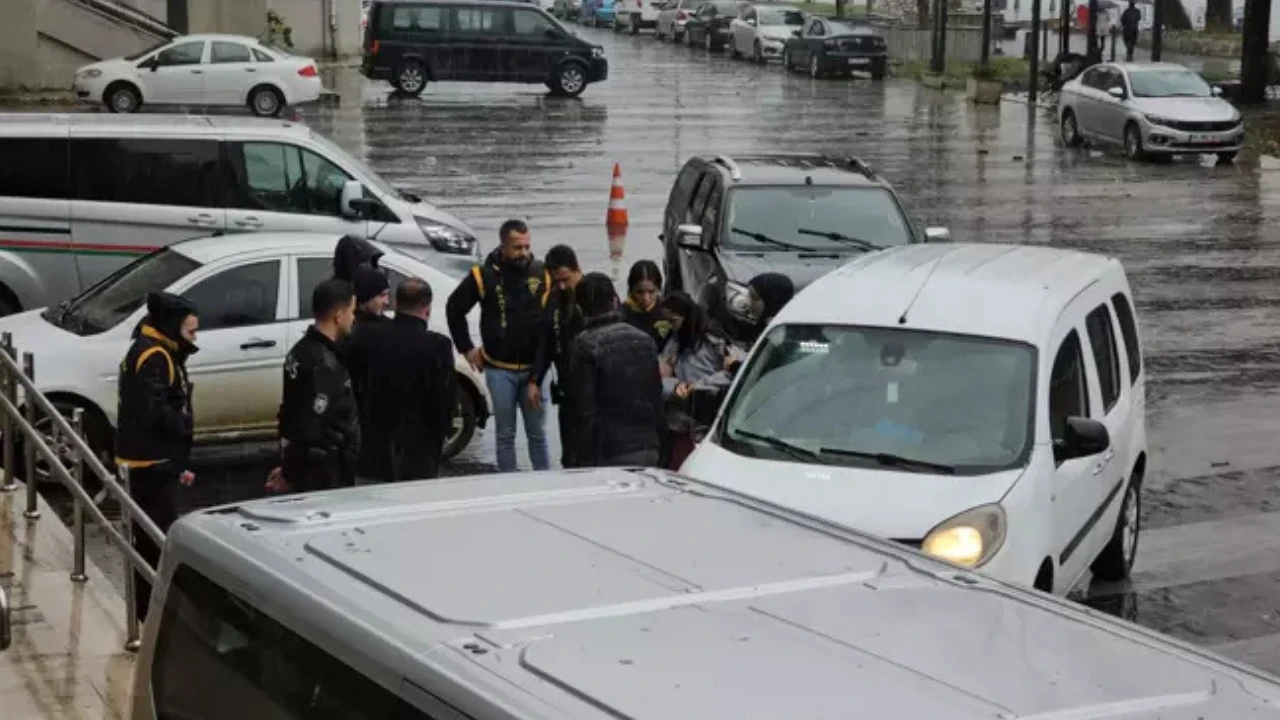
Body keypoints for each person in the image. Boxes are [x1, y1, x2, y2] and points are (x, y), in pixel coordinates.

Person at [115, 292, 199, 623]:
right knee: (156, 544)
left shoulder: (156, 350)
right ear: (171, 327)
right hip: (149, 466)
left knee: (151, 543)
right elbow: (152, 411)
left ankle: (149, 613)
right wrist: (184, 425)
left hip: (155, 462)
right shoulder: (153, 356)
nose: (194, 340)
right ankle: (149, 618)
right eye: (191, 333)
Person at [446, 219, 551, 473]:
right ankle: (508, 486)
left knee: (537, 435)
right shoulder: (483, 276)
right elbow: (454, 308)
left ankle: (546, 486)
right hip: (498, 368)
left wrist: (538, 377)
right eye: (517, 247)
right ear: (503, 246)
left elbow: (550, 331)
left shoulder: (542, 273)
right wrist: (467, 349)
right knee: (505, 435)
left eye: (527, 247)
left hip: (535, 370)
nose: (523, 253)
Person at [346, 277, 456, 482]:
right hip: (419, 449)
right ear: (427, 308)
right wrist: (442, 433)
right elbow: (444, 397)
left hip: (375, 446)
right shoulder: (437, 346)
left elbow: (355, 384)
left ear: (396, 304)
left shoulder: (368, 336)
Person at [268, 278, 360, 494]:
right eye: (351, 312)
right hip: (323, 474)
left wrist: (287, 467)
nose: (353, 319)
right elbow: (309, 426)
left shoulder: (301, 351)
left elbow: (291, 415)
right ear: (339, 316)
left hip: (314, 467)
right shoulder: (323, 365)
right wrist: (290, 475)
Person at [565, 273, 664, 467]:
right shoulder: (645, 341)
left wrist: (577, 458)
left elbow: (584, 410)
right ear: (615, 300)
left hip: (606, 452)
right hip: (648, 446)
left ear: (579, 309)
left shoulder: (584, 346)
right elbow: (656, 397)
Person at [658, 292, 746, 470]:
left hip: (711, 420)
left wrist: (697, 387)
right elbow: (659, 378)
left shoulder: (715, 342)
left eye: (674, 321)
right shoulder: (674, 343)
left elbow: (734, 372)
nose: (671, 327)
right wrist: (675, 386)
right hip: (682, 423)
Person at [529, 245, 585, 467]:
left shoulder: (595, 291)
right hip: (567, 384)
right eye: (556, 280)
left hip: (594, 385)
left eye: (566, 279)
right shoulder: (552, 299)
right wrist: (535, 379)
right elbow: (546, 342)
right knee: (569, 453)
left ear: (577, 269)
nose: (562, 285)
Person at [620, 260, 670, 350]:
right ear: (631, 290)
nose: (645, 298)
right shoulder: (621, 315)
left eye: (651, 292)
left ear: (658, 289)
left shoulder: (667, 312)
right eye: (639, 292)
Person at [742, 273, 796, 346]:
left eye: (753, 297)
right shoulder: (763, 326)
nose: (749, 303)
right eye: (748, 295)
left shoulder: (779, 336)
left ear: (771, 301)